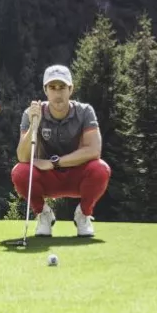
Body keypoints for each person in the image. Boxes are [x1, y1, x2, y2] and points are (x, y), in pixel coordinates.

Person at [12, 65, 112, 237]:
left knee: (100, 169)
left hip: (77, 175)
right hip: (47, 178)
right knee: (19, 172)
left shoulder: (85, 112)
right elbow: (22, 157)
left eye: (62, 87)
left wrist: (54, 163)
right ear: (45, 90)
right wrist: (33, 126)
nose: (57, 93)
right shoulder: (31, 113)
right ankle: (43, 214)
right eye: (52, 87)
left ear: (71, 89)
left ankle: (83, 214)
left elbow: (94, 150)